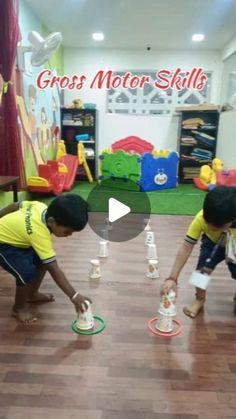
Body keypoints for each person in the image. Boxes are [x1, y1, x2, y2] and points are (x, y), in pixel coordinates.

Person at [0, 194, 91, 323]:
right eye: (67, 231)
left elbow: (15, 205)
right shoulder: (39, 233)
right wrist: (74, 296)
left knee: (43, 261)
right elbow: (54, 269)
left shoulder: (41, 206)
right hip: (3, 245)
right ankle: (18, 308)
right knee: (26, 274)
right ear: (51, 221)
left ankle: (32, 294)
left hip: (20, 240)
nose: (69, 235)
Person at [161, 186, 236, 318]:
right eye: (208, 223)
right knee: (201, 271)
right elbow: (186, 247)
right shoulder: (200, 219)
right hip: (212, 244)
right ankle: (200, 299)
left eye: (216, 227)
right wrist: (172, 278)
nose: (209, 227)